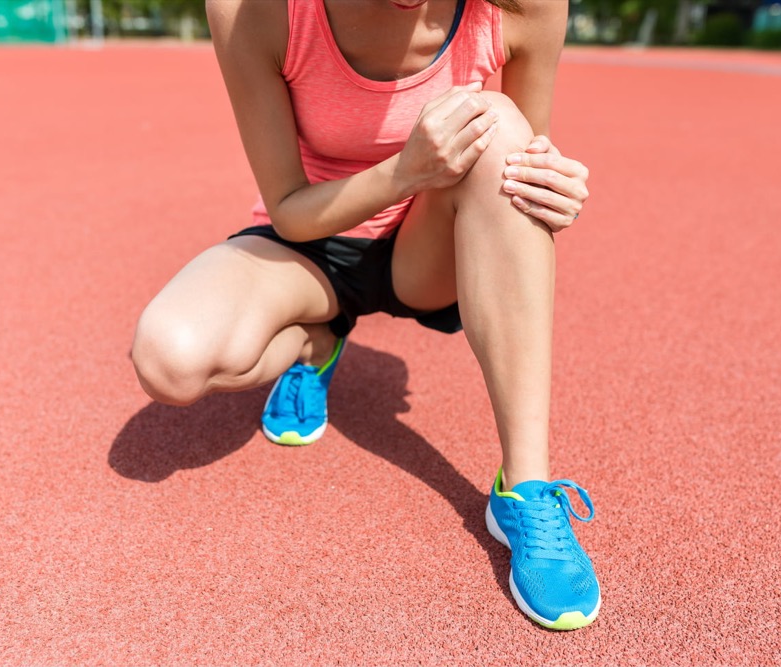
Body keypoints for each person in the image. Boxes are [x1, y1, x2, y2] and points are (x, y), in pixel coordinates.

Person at [131, 0, 598, 630]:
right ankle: (314, 343)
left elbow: (524, 165)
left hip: (424, 253)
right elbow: (290, 208)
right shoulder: (253, 12)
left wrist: (552, 191)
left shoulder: (522, 6)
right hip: (311, 243)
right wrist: (404, 170)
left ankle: (527, 488)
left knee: (504, 134)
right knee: (169, 360)